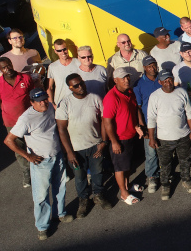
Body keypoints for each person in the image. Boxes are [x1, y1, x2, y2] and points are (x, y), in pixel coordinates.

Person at [4, 88, 73, 241]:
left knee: (60, 188)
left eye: (44, 99)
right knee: (41, 196)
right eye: (39, 101)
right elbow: (8, 140)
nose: (43, 102)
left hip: (57, 156)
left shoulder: (49, 108)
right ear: (31, 102)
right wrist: (28, 156)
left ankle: (59, 214)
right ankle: (42, 227)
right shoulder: (26, 119)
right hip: (41, 162)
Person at [55, 73, 111, 218]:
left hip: (95, 145)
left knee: (98, 172)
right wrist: (69, 152)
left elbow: (104, 120)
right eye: (76, 85)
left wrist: (104, 141)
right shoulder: (65, 103)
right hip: (76, 149)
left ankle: (98, 195)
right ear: (70, 87)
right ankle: (84, 200)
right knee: (80, 177)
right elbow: (61, 129)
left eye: (82, 83)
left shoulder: (95, 98)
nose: (81, 87)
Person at [147, 69, 191, 199]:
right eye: (165, 81)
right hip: (164, 139)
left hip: (183, 135)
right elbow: (151, 118)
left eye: (170, 79)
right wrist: (152, 138)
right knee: (165, 163)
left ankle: (186, 180)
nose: (168, 82)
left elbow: (189, 112)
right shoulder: (154, 96)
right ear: (160, 82)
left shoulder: (181, 92)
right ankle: (165, 185)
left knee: (185, 160)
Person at [103, 67, 144, 205]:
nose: (127, 80)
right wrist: (114, 142)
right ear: (115, 81)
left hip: (130, 135)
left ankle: (127, 185)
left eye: (127, 77)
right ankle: (123, 193)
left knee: (127, 165)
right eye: (123, 78)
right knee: (120, 167)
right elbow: (107, 122)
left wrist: (137, 125)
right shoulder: (111, 97)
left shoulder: (130, 92)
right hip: (119, 138)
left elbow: (133, 110)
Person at [0, 57, 33, 187]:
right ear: (0, 69)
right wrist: (7, 110)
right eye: (4, 67)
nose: (7, 69)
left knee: (35, 144)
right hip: (11, 121)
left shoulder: (25, 78)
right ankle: (26, 173)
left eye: (8, 65)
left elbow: (32, 94)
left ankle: (41, 169)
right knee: (18, 148)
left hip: (29, 119)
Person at [132, 56, 162, 194]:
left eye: (154, 65)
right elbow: (138, 106)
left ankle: (166, 172)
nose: (152, 68)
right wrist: (141, 124)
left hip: (165, 120)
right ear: (144, 68)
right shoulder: (139, 84)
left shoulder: (162, 79)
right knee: (151, 151)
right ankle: (152, 176)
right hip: (149, 122)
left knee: (165, 148)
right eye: (149, 66)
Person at [46, 39, 78, 107]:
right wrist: (52, 104)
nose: (63, 52)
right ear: (55, 51)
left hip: (77, 102)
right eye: (59, 50)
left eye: (64, 49)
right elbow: (50, 87)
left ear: (67, 48)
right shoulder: (52, 67)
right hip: (60, 104)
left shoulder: (77, 63)